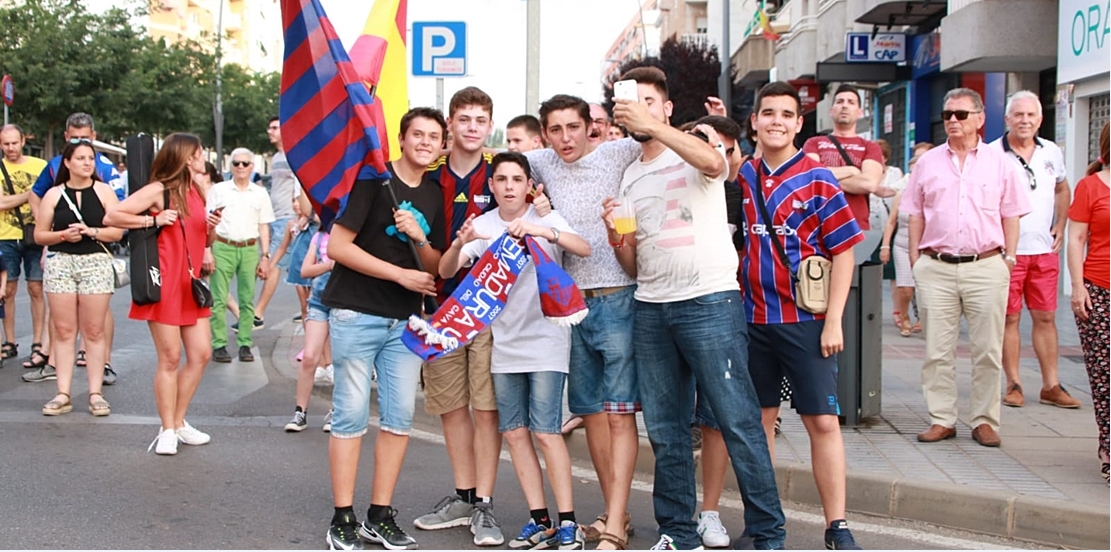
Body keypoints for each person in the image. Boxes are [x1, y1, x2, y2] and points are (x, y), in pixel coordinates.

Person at [607, 67, 787, 551]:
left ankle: (769, 534)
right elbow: (631, 263)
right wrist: (617, 238)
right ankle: (676, 533)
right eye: (631, 101)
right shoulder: (629, 175)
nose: (639, 109)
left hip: (709, 300)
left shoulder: (695, 145)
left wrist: (660, 129)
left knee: (738, 421)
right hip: (651, 306)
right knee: (666, 432)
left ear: (666, 108)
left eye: (650, 101)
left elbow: (714, 165)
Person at [735, 81, 865, 550]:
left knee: (822, 422)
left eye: (785, 115)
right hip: (753, 321)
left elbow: (845, 253)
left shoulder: (818, 177)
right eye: (767, 113)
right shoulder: (743, 177)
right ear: (754, 121)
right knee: (761, 423)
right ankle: (766, 519)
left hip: (807, 322)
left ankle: (838, 525)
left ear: (798, 123)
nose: (775, 121)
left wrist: (834, 321)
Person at [440, 152, 591, 550]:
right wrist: (461, 243)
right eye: (501, 179)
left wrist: (546, 232)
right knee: (515, 433)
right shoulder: (485, 225)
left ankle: (569, 523)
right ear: (491, 185)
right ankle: (539, 519)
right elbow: (445, 270)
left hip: (546, 340)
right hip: (504, 344)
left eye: (517, 179)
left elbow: (584, 247)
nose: (509, 186)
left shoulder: (545, 217)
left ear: (530, 185)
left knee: (545, 432)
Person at [322, 106, 446, 551]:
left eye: (434, 136)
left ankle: (380, 514)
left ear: (441, 145)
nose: (426, 142)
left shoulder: (433, 193)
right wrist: (398, 275)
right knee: (351, 415)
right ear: (401, 137)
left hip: (406, 321)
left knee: (399, 420)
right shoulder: (373, 180)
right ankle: (343, 517)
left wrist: (418, 236)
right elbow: (338, 246)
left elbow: (434, 264)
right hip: (357, 312)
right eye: (418, 134)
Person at [523, 93, 643, 547]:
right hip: (571, 308)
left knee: (618, 417)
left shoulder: (617, 151)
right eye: (555, 130)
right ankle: (619, 514)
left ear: (590, 125)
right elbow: (494, 160)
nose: (565, 138)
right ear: (545, 133)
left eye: (573, 127)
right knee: (591, 414)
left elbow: (665, 142)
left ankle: (613, 526)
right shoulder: (545, 162)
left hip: (618, 299)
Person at [904, 87, 1031, 448]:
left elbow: (1012, 214)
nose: (953, 121)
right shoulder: (928, 162)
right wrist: (916, 259)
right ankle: (942, 418)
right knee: (936, 350)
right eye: (947, 115)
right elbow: (915, 213)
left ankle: (985, 420)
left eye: (960, 114)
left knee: (988, 348)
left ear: (979, 119)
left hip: (986, 264)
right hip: (937, 265)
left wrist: (1009, 258)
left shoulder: (1000, 162)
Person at [414, 87, 504, 546]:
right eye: (463, 119)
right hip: (440, 308)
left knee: (486, 409)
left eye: (480, 119)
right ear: (450, 124)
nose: (471, 127)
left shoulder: (501, 172)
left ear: (490, 125)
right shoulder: (426, 174)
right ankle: (463, 494)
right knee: (451, 407)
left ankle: (486, 504)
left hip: (488, 308)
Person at [104, 133, 221, 455]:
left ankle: (180, 422)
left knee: (201, 354)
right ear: (185, 157)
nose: (202, 158)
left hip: (191, 283)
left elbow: (205, 241)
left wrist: (212, 225)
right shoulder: (160, 190)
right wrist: (152, 219)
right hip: (165, 283)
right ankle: (167, 428)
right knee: (169, 358)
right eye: (198, 153)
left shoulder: (195, 190)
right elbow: (112, 216)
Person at [992, 91, 1079, 409]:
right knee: (1009, 318)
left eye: (1030, 115)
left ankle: (1051, 385)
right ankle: (1014, 383)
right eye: (1018, 115)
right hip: (1005, 252)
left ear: (1040, 119)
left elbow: (1062, 187)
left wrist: (1062, 221)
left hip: (1043, 250)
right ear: (1007, 119)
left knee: (1045, 317)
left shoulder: (1051, 151)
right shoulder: (991, 154)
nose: (1025, 120)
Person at [29, 113, 123, 385]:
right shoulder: (54, 167)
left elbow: (119, 216)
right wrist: (53, 233)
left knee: (98, 317)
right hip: (62, 255)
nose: (85, 159)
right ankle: (53, 363)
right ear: (66, 138)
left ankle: (103, 363)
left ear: (94, 137)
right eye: (75, 138)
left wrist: (94, 232)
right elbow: (38, 197)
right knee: (62, 320)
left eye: (86, 140)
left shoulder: (106, 171)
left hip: (95, 258)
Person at [1066, 122, 1109, 485]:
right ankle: (1109, 448)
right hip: (1098, 289)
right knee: (1106, 376)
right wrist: (1078, 287)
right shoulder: (1090, 186)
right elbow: (1076, 239)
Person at [207, 148, 274, 364]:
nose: (241, 167)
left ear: (252, 166)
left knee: (247, 299)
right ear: (230, 166)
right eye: (236, 163)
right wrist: (207, 249)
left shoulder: (260, 193)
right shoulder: (219, 190)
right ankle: (219, 344)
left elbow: (264, 226)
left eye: (245, 163)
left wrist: (265, 256)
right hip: (223, 245)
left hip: (249, 247)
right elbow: (208, 222)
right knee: (218, 298)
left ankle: (245, 342)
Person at [802, 84, 885, 230]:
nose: (845, 106)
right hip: (818, 227)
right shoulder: (814, 143)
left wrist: (824, 179)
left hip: (856, 228)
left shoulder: (870, 146)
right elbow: (810, 178)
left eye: (851, 102)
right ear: (831, 111)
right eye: (840, 102)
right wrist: (852, 170)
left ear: (859, 112)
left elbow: (869, 184)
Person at [0, 124, 47, 369]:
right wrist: (31, 194)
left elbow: (49, 196)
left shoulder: (39, 167)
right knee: (6, 290)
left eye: (14, 143)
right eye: (5, 144)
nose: (10, 148)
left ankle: (38, 341)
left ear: (22, 141)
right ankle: (9, 341)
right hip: (5, 235)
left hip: (35, 235)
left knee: (36, 288)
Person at [250, 117, 301, 330]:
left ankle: (257, 313)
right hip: (275, 215)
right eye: (269, 127)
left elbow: (300, 181)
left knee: (274, 264)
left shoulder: (293, 154)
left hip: (287, 217)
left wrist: (298, 208)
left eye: (274, 128)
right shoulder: (278, 156)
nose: (269, 131)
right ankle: (307, 307)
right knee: (294, 266)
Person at [284, 222, 335, 433]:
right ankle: (300, 412)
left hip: (345, 302)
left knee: (341, 361)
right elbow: (305, 270)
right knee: (309, 357)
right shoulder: (320, 236)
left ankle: (336, 410)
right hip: (318, 301)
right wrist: (329, 265)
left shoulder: (353, 234)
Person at [880, 150, 929, 337]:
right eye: (911, 172)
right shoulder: (902, 194)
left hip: (925, 246)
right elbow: (891, 221)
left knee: (926, 288)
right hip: (902, 244)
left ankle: (924, 320)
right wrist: (885, 246)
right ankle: (904, 317)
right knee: (905, 288)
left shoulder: (932, 194)